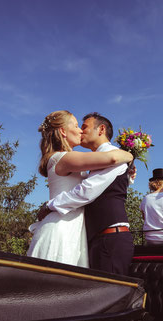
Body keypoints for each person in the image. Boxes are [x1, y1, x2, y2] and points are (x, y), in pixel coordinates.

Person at [27, 110, 133, 268]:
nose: (80, 130)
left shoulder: (63, 158)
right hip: (62, 227)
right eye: (76, 126)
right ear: (63, 131)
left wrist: (127, 177)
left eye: (82, 126)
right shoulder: (64, 157)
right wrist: (130, 155)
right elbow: (112, 158)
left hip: (74, 229)